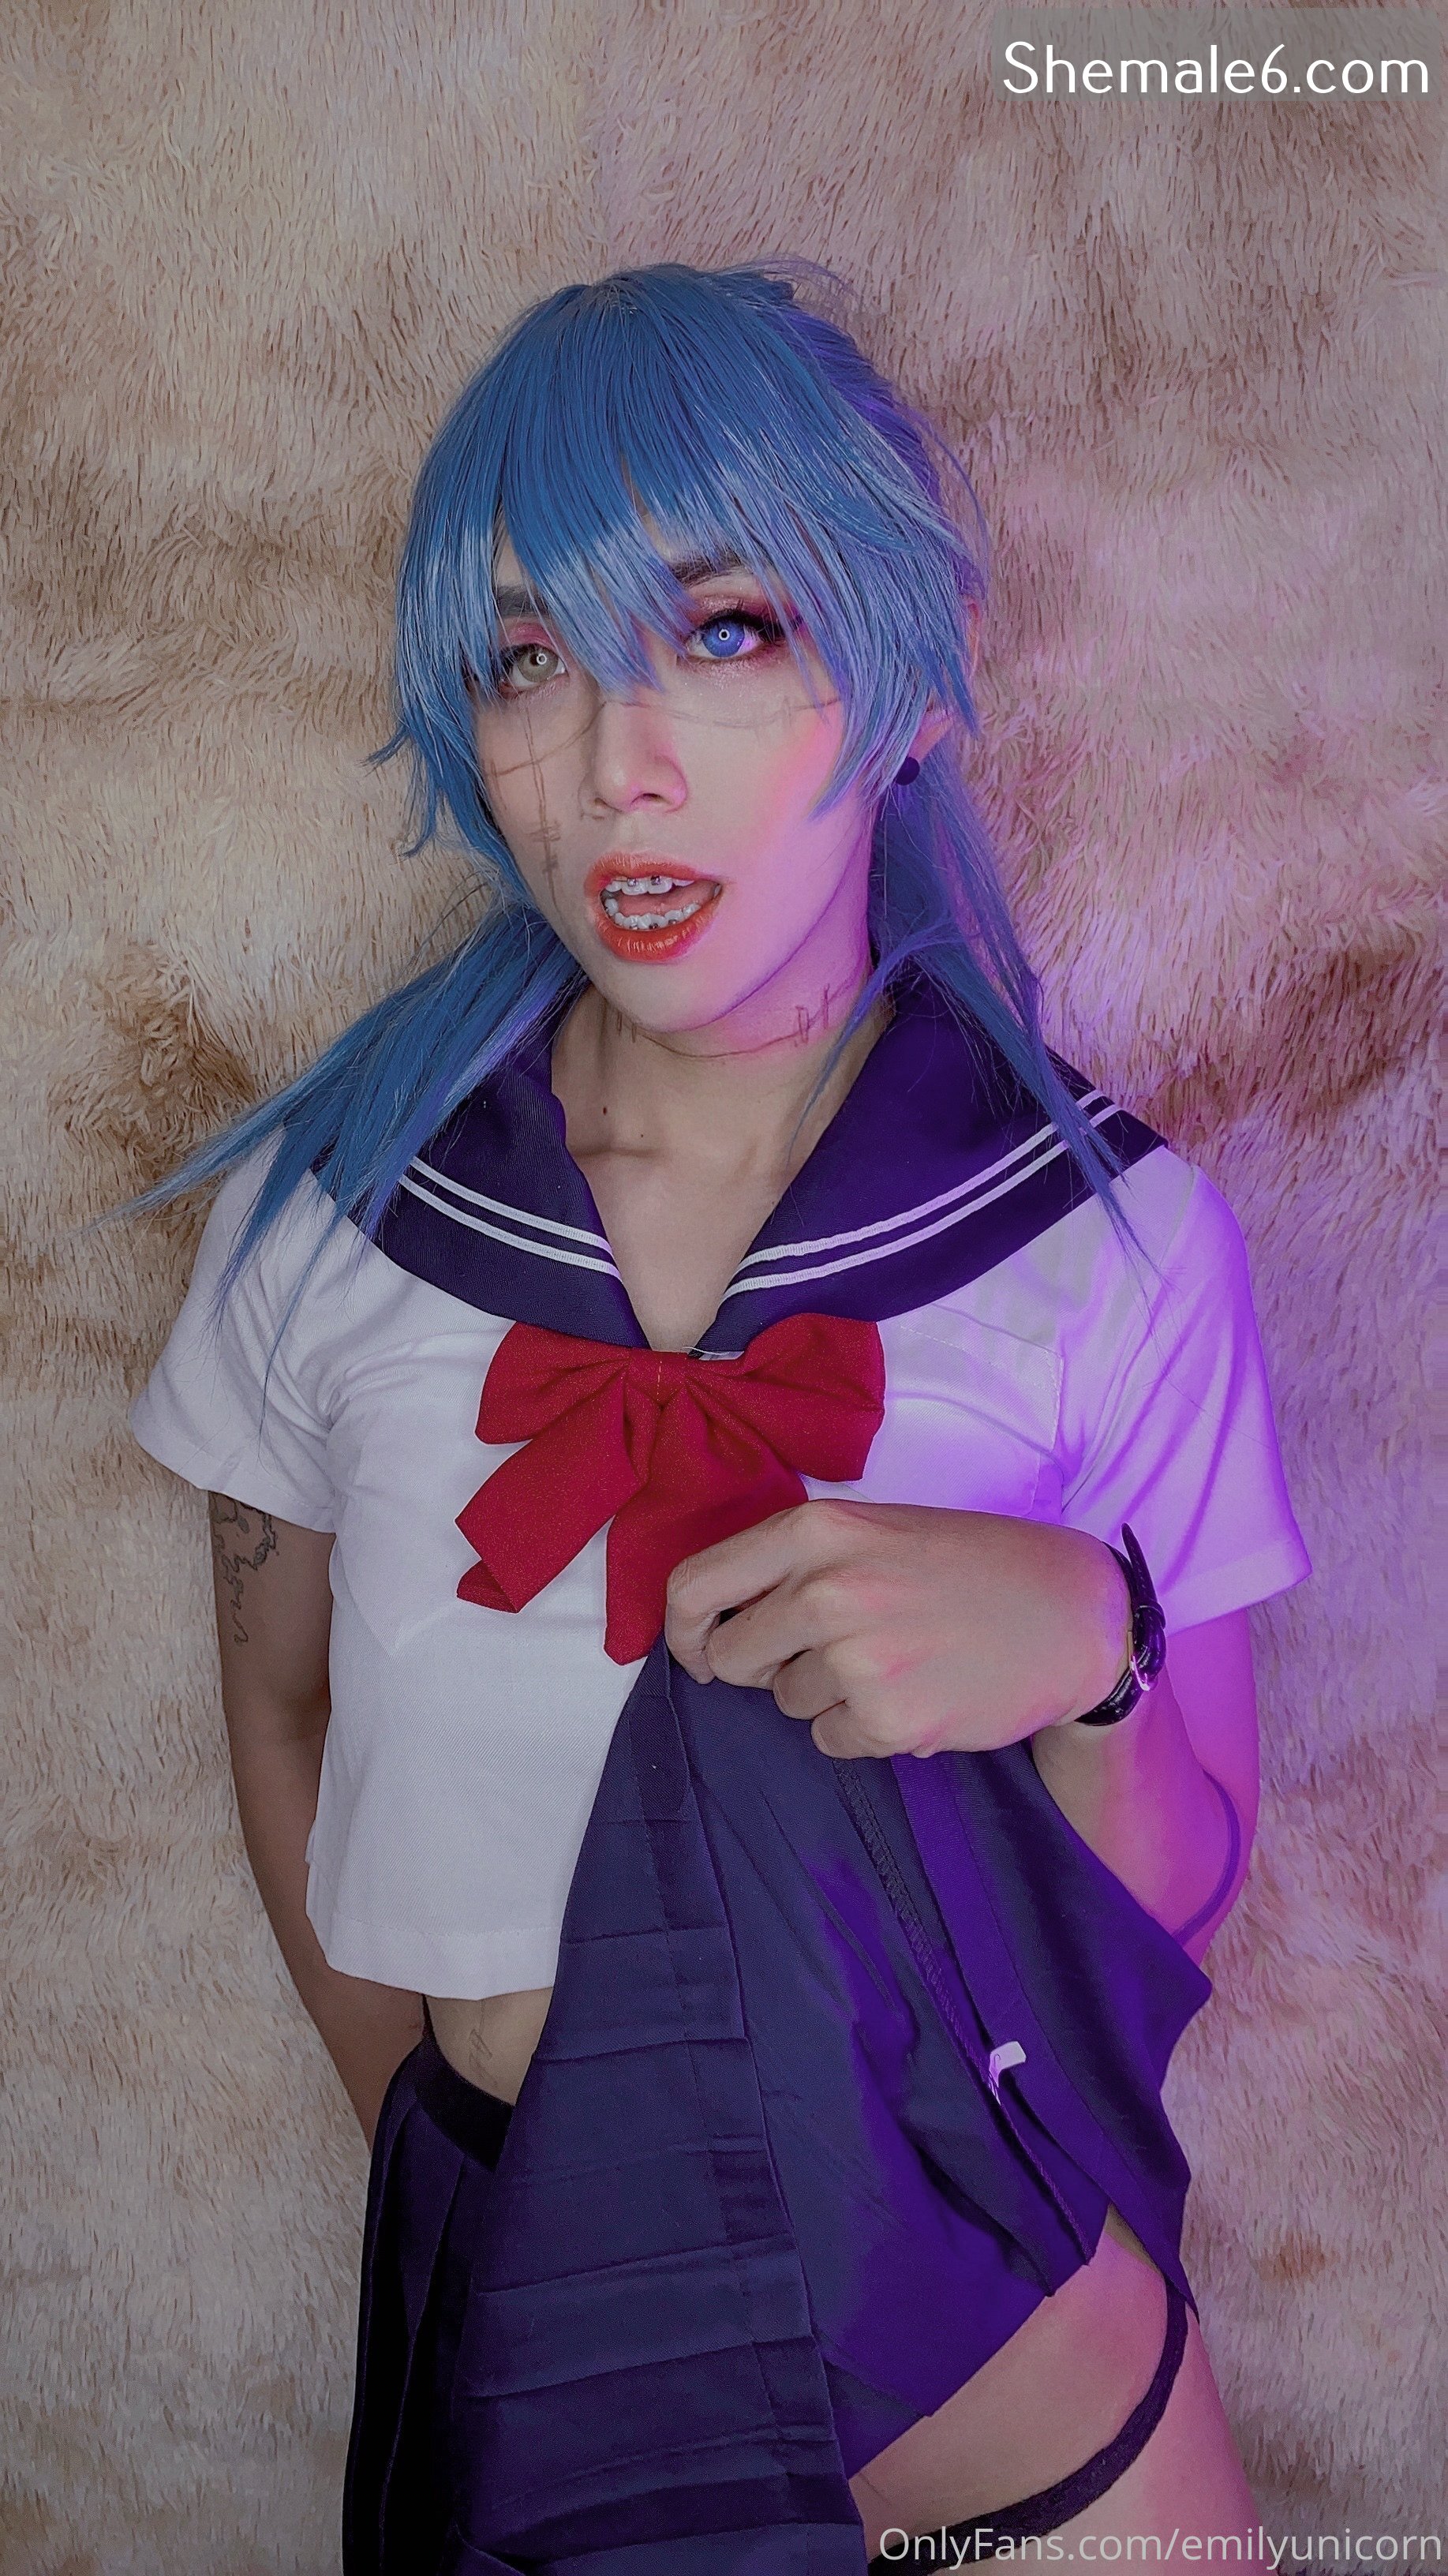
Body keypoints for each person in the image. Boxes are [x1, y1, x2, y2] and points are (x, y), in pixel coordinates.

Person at [129, 262, 1311, 2573]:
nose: (613, 764)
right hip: (545, 2384)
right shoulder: (334, 1223)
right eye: (527, 660)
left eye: (729, 630)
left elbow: (1176, 1884)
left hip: (1024, 2430)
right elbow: (282, 1712)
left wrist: (1097, 1639)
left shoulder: (1120, 1242)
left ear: (912, 675)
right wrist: (473, 2170)